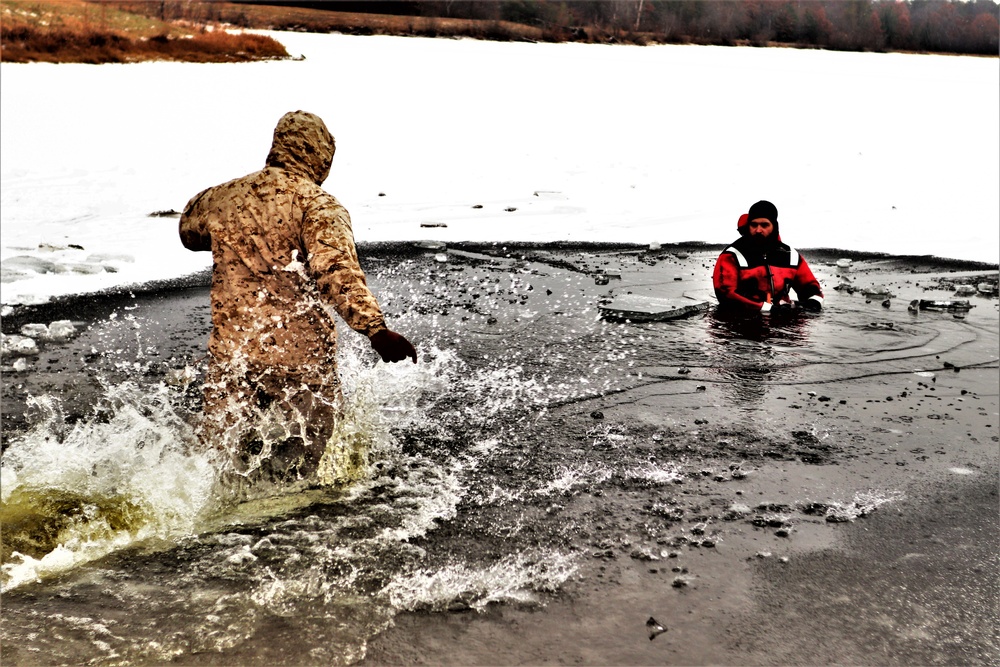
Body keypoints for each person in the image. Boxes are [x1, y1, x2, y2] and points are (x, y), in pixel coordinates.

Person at [179, 110, 416, 477]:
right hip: (298, 356)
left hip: (234, 350)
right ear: (320, 155)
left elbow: (188, 231)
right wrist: (375, 329)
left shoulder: (224, 197)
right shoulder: (318, 205)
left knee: (219, 457)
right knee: (317, 463)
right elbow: (335, 271)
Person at [712, 200, 823, 314]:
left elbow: (810, 286)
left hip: (782, 319)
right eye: (754, 225)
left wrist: (814, 302)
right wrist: (766, 308)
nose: (758, 230)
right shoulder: (731, 256)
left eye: (764, 225)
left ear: (774, 226)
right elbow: (726, 294)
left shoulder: (791, 256)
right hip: (743, 322)